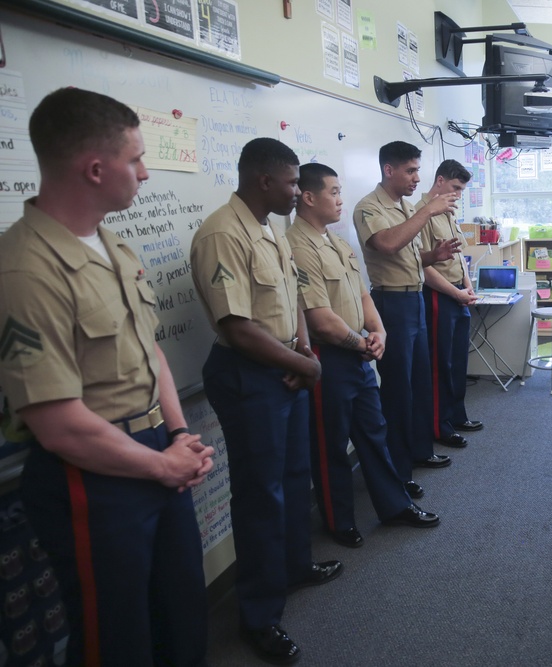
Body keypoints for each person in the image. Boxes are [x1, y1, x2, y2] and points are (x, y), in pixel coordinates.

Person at [0, 87, 214, 666]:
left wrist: (176, 436)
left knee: (182, 612)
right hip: (92, 472)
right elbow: (58, 424)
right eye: (137, 158)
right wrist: (160, 464)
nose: (146, 173)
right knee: (116, 637)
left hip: (155, 452)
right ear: (95, 169)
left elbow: (152, 353)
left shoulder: (113, 244)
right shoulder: (25, 268)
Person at [191, 138, 340, 664]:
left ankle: (296, 565)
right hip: (250, 374)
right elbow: (237, 327)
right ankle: (259, 616)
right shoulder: (221, 234)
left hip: (285, 367)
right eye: (293, 183)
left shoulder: (267, 226)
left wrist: (302, 348)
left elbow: (291, 295)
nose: (299, 192)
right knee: (261, 496)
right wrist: (305, 365)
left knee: (294, 479)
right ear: (264, 182)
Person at [287, 162, 440, 549]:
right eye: (333, 192)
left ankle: (394, 505)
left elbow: (362, 295)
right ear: (308, 197)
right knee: (331, 444)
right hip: (330, 357)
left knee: (375, 432)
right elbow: (320, 320)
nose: (341, 199)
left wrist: (380, 331)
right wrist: (363, 343)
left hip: (359, 351)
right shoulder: (296, 246)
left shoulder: (335, 242)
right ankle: (339, 521)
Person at [352, 141, 461, 493]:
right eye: (410, 171)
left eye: (417, 170)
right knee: (398, 391)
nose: (417, 178)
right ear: (389, 170)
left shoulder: (403, 207)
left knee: (420, 382)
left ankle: (419, 451)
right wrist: (426, 212)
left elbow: (410, 259)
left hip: (414, 299)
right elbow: (386, 245)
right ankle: (399, 473)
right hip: (392, 305)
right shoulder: (370, 207)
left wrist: (434, 254)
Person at [418, 159, 483, 448]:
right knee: (438, 365)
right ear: (440, 180)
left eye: (462, 190)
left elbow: (458, 257)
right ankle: (438, 426)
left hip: (458, 293)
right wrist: (456, 294)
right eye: (455, 187)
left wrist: (467, 287)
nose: (458, 194)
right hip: (438, 295)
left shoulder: (448, 211)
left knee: (458, 362)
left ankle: (456, 416)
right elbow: (423, 266)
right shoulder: (420, 212)